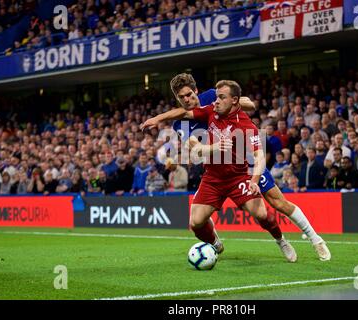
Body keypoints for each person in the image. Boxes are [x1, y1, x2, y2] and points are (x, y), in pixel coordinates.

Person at [141, 74, 330, 261]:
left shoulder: (213, 98)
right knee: (196, 222)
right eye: (181, 98)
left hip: (245, 164)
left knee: (276, 204)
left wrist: (235, 104)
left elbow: (249, 104)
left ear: (196, 90)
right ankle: (214, 241)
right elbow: (196, 149)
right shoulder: (183, 122)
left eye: (189, 95)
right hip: (215, 170)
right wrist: (158, 118)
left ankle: (313, 239)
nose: (187, 100)